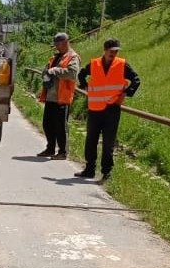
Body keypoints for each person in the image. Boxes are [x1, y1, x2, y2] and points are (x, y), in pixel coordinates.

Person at [75, 37, 140, 182]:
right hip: (95, 108)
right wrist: (85, 86)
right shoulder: (94, 64)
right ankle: (89, 169)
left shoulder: (122, 65)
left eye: (116, 51)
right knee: (91, 140)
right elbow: (81, 74)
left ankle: (107, 172)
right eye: (111, 51)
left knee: (108, 142)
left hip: (112, 108)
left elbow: (136, 80)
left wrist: (125, 93)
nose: (114, 54)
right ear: (105, 50)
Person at [37, 32, 80, 160]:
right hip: (51, 95)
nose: (56, 47)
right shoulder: (56, 57)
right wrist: (45, 73)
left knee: (61, 126)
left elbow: (72, 74)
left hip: (62, 97)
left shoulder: (73, 57)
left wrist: (55, 71)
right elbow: (47, 70)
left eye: (58, 44)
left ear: (66, 42)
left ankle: (62, 152)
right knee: (47, 124)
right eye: (55, 44)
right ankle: (50, 148)